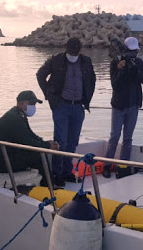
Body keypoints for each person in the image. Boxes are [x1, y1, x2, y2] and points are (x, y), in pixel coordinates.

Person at [36, 37, 96, 187]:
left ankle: (67, 172)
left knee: (73, 141)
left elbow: (92, 80)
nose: (73, 55)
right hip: (61, 105)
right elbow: (40, 74)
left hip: (78, 107)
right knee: (60, 141)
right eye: (71, 52)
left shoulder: (86, 61)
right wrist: (48, 95)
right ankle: (57, 173)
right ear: (66, 49)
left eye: (76, 52)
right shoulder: (56, 60)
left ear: (79, 51)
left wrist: (86, 100)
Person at [0, 90, 59, 187]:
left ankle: (44, 184)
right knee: (40, 155)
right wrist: (46, 146)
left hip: (7, 155)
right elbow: (27, 142)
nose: (34, 107)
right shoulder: (14, 118)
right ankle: (49, 188)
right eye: (31, 103)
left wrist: (46, 143)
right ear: (21, 103)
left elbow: (30, 135)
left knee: (39, 152)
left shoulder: (18, 115)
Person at [103, 37, 143, 178]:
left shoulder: (139, 62)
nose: (133, 54)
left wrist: (136, 68)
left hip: (133, 105)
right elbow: (115, 85)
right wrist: (121, 70)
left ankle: (123, 166)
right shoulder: (115, 63)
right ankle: (106, 165)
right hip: (118, 105)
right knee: (114, 136)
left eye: (135, 51)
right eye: (131, 51)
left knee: (128, 138)